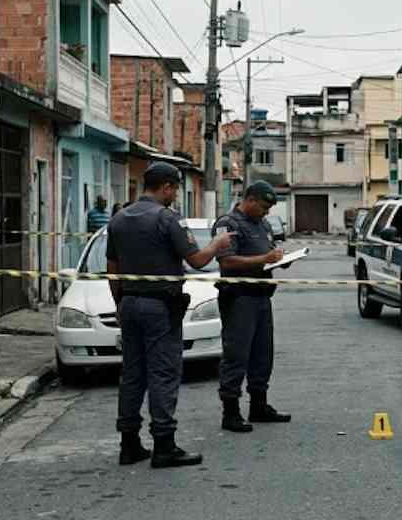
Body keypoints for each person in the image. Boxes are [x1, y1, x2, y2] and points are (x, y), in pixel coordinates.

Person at [106, 162, 234, 469]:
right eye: (175, 189)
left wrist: (120, 304)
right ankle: (164, 444)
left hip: (129, 303)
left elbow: (112, 269)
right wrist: (217, 244)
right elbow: (198, 260)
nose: (175, 195)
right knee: (163, 373)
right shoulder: (167, 218)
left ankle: (129, 443)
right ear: (166, 187)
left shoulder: (119, 219)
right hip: (160, 306)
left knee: (132, 374)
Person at [213, 181, 290, 433]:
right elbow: (227, 261)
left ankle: (258, 405)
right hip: (239, 298)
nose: (266, 212)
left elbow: (267, 253)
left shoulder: (262, 224)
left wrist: (279, 259)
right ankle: (231, 412)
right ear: (251, 200)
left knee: (262, 355)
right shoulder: (228, 224)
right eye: (264, 207)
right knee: (236, 355)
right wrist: (263, 259)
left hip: (262, 296)